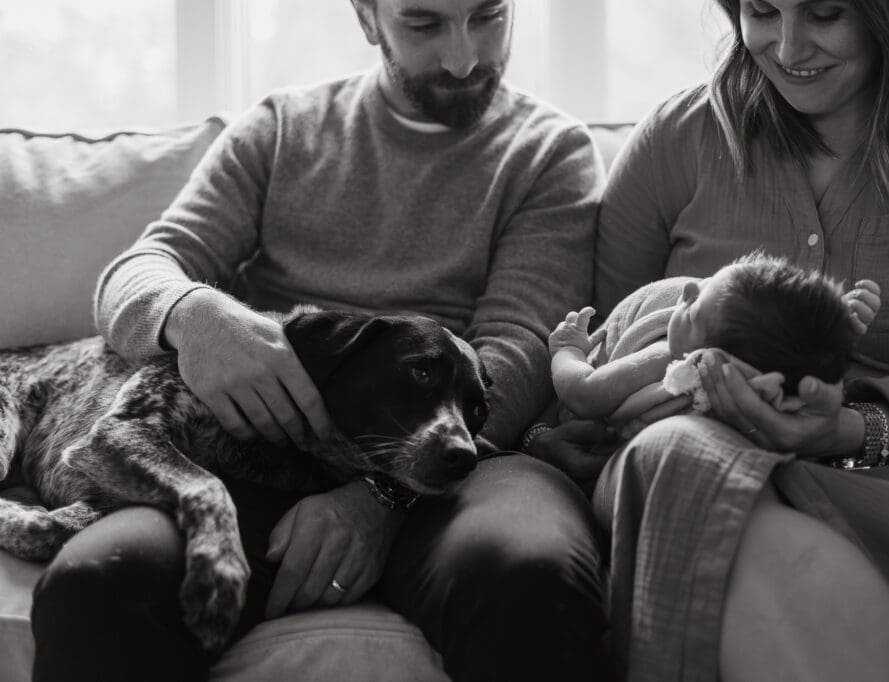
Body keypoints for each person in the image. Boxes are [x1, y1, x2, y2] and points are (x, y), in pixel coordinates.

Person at [29, 1, 614, 681]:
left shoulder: (550, 152)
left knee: (529, 576)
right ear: (367, 17)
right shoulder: (283, 129)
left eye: (489, 16)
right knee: (100, 586)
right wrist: (194, 314)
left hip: (463, 461)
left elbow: (514, 347)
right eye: (424, 24)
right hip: (258, 452)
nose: (465, 57)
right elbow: (139, 271)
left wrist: (381, 497)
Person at [528, 0, 889, 680]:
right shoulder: (679, 139)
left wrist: (843, 430)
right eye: (762, 10)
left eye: (824, 13)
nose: (787, 46)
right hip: (675, 458)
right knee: (679, 450)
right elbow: (613, 332)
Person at [548, 253, 880, 436]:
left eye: (693, 314)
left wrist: (569, 350)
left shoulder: (662, 356)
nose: (689, 289)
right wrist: (829, 320)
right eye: (709, 281)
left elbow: (583, 393)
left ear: (708, 359)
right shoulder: (767, 365)